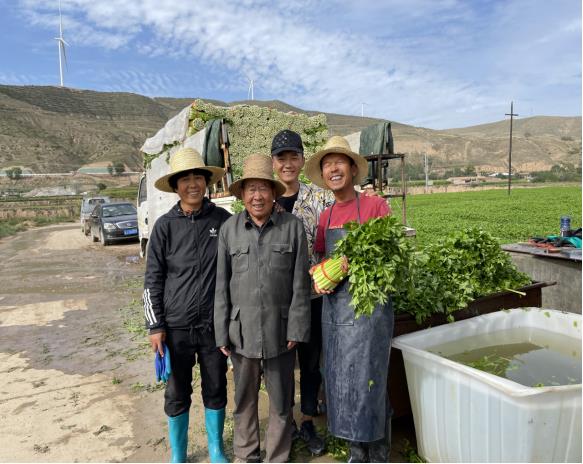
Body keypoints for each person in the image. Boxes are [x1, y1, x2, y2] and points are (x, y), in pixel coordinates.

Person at [214, 154, 311, 463]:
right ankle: (246, 455)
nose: (257, 196)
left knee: (282, 402)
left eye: (263, 188)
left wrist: (297, 327)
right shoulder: (229, 230)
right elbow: (221, 286)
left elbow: (300, 285)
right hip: (241, 333)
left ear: (273, 192)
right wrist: (221, 333)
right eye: (251, 189)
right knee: (244, 401)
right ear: (242, 194)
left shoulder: (292, 227)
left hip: (280, 332)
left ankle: (277, 457)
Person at [305, 136, 394, 463]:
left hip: (371, 312)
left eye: (339, 162)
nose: (333, 169)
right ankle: (356, 451)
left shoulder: (375, 206)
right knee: (343, 381)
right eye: (327, 164)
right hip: (337, 314)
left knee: (371, 380)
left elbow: (391, 256)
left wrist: (354, 262)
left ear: (353, 169)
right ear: (323, 174)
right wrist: (321, 277)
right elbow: (321, 258)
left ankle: (379, 453)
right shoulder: (325, 217)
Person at [143, 147, 231, 463]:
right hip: (175, 327)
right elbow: (152, 280)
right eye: (185, 179)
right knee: (177, 392)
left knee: (216, 386)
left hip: (213, 326)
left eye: (198, 177)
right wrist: (155, 326)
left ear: (206, 182)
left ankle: (216, 449)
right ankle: (178, 454)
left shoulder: (223, 221)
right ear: (175, 185)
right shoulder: (164, 227)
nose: (192, 184)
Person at [270, 129, 334, 455]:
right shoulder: (263, 200)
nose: (288, 164)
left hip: (313, 298)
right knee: (279, 367)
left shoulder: (320, 199)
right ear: (273, 163)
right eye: (281, 158)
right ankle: (286, 424)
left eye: (293, 156)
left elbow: (341, 226)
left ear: (302, 159)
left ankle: (307, 420)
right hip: (277, 302)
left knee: (310, 364)